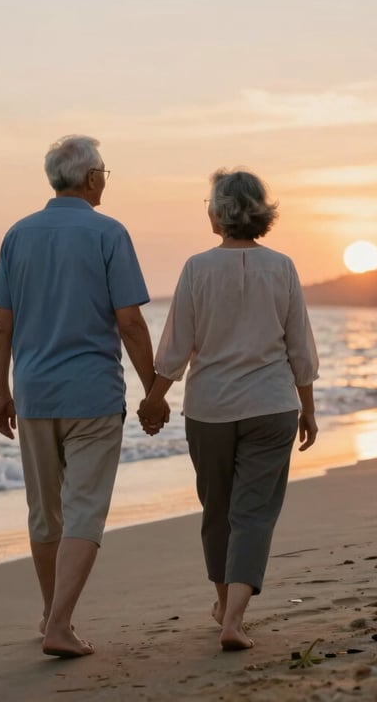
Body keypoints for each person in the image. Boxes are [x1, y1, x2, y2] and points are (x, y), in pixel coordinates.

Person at [0, 135, 166, 658]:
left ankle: (51, 614)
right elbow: (129, 322)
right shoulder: (109, 233)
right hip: (93, 395)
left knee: (45, 514)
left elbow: (2, 327)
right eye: (105, 171)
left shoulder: (18, 234)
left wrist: (2, 392)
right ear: (90, 178)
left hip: (35, 395)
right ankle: (59, 623)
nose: (106, 179)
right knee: (84, 511)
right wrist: (153, 388)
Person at [138, 168, 319, 652]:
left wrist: (155, 398)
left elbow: (176, 346)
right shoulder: (282, 267)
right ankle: (233, 617)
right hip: (272, 405)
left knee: (217, 510)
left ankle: (224, 606)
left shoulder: (197, 268)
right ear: (260, 212)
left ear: (219, 213)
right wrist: (309, 408)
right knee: (254, 513)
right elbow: (300, 348)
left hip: (211, 409)